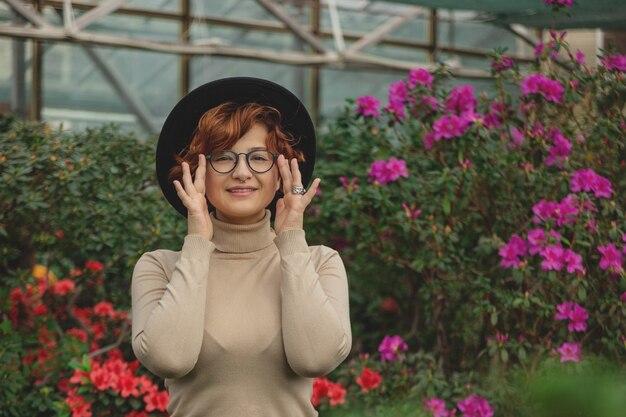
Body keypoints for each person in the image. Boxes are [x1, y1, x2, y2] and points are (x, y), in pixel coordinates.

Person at [131, 77, 352, 417]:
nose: (242, 173)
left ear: (281, 173)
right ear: (196, 173)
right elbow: (169, 359)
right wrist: (197, 242)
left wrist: (292, 238)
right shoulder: (160, 267)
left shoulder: (320, 263)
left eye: (259, 157)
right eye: (223, 158)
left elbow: (316, 358)